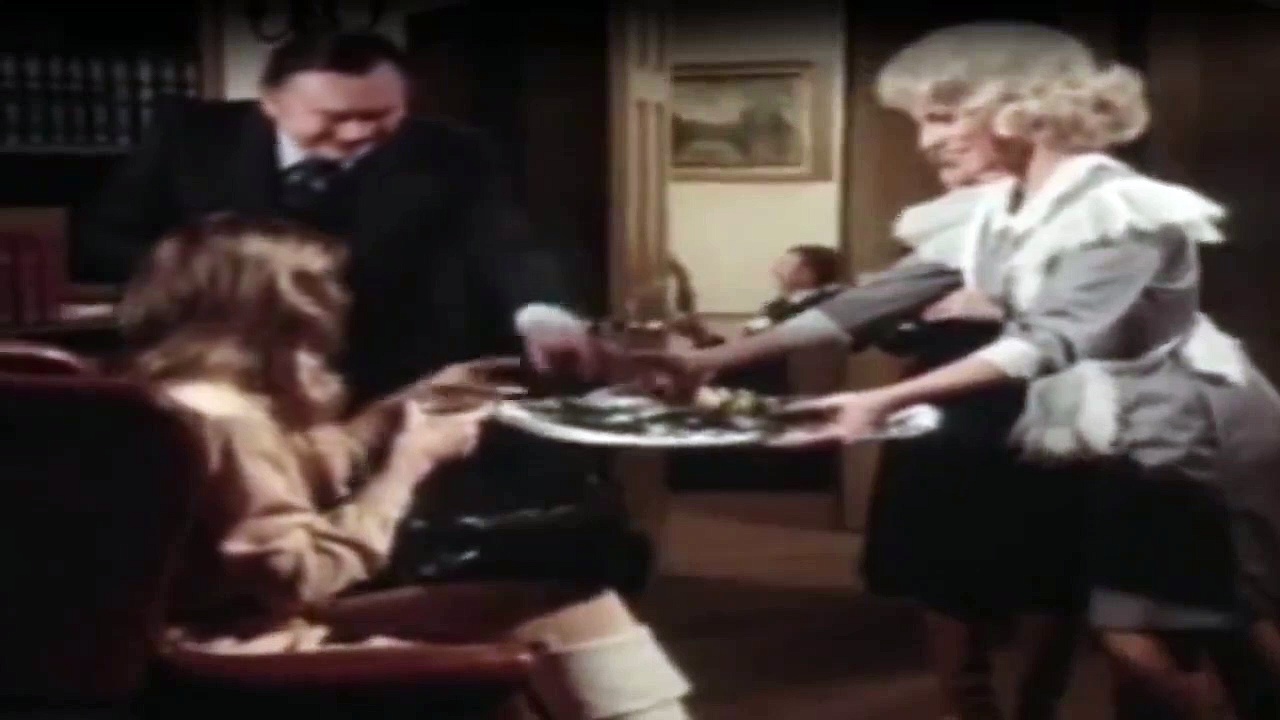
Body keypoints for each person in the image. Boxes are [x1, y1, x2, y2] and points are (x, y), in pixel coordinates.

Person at [738, 22, 1280, 720]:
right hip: (1124, 436)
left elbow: (1046, 341)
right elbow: (878, 299)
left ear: (1018, 108)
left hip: (1186, 432)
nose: (926, 141)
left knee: (1165, 637)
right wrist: (707, 359)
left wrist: (883, 400)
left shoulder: (1118, 209)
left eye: (942, 116)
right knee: (1190, 628)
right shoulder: (1005, 209)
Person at [75, 30, 646, 592]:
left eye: (380, 116)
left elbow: (509, 241)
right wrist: (232, 278)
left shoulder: (452, 151)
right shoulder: (190, 136)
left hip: (386, 363)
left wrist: (538, 316)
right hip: (234, 367)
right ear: (271, 103)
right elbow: (104, 239)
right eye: (334, 116)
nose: (357, 133)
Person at [120, 214, 693, 720]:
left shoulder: (172, 397)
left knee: (558, 604)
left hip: (207, 631)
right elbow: (297, 577)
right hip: (239, 652)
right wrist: (408, 466)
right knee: (564, 625)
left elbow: (283, 474)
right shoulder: (230, 420)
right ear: (279, 313)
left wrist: (403, 408)